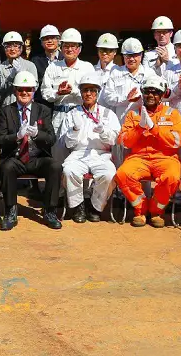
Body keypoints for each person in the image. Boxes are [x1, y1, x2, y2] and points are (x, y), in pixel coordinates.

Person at [116, 74, 181, 228]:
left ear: (161, 95)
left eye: (155, 92)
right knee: (122, 174)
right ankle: (140, 209)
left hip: (165, 158)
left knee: (172, 176)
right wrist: (139, 128)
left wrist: (155, 129)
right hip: (138, 158)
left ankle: (156, 211)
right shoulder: (133, 115)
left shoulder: (172, 114)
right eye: (147, 91)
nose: (151, 95)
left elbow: (176, 141)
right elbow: (124, 141)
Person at [0, 70, 60, 230]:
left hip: (37, 157)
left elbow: (51, 139)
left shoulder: (43, 110)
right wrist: (16, 136)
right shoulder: (6, 111)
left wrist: (38, 134)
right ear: (15, 90)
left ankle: (50, 210)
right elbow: (0, 141)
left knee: (55, 166)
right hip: (16, 157)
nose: (24, 93)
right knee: (7, 167)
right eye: (20, 89)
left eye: (28, 89)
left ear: (34, 91)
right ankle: (11, 210)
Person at [60, 72, 121, 223]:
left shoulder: (108, 114)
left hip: (101, 154)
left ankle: (95, 206)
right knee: (69, 171)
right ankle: (78, 206)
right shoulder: (72, 113)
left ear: (97, 93)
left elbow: (115, 139)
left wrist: (103, 132)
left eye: (92, 90)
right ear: (80, 92)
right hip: (78, 154)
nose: (88, 94)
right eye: (85, 90)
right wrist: (74, 130)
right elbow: (67, 144)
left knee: (109, 174)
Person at [41, 28, 95, 164]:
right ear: (61, 47)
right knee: (58, 154)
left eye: (73, 46)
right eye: (66, 46)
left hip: (81, 113)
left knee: (82, 153)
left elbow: (93, 93)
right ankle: (59, 185)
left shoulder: (87, 67)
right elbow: (45, 93)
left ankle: (82, 186)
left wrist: (74, 91)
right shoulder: (53, 67)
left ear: (80, 48)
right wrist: (58, 93)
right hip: (59, 114)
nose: (69, 49)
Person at [99, 37, 149, 165]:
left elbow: (159, 95)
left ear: (141, 55)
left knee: (143, 165)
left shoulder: (149, 73)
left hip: (142, 128)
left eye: (135, 55)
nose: (131, 59)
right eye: (128, 56)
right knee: (120, 164)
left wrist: (142, 98)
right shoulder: (116, 72)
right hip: (120, 126)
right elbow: (108, 97)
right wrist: (125, 99)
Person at [0, 31, 37, 108]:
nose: (12, 49)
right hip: (7, 107)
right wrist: (11, 76)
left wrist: (21, 76)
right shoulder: (0, 67)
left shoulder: (30, 65)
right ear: (4, 49)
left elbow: (35, 87)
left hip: (27, 107)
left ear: (21, 48)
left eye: (16, 46)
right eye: (8, 46)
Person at [31, 24, 61, 107]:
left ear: (59, 41)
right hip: (42, 105)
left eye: (53, 38)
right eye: (46, 39)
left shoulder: (65, 59)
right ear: (41, 42)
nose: (50, 41)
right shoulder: (35, 60)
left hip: (61, 103)